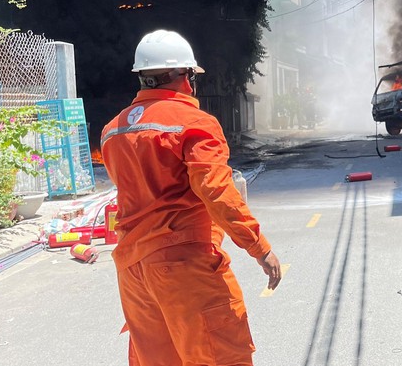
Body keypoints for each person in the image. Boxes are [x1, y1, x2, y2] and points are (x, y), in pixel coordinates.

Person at [100, 29, 281, 366]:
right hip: (184, 265)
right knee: (220, 356)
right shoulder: (194, 123)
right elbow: (216, 191)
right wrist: (260, 248)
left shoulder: (113, 130)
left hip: (133, 272)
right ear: (184, 77)